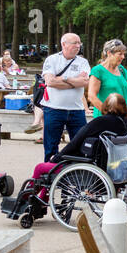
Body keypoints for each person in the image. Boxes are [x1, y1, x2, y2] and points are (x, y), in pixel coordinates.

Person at [40, 33, 91, 162]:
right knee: (51, 146)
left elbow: (85, 82)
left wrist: (64, 78)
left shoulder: (83, 62)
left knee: (81, 144)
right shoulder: (52, 60)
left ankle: (76, 172)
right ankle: (50, 174)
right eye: (75, 43)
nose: (78, 46)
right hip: (53, 109)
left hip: (77, 110)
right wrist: (75, 81)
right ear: (64, 44)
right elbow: (50, 82)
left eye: (79, 43)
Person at [87, 39, 127, 118]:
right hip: (105, 118)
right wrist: (107, 114)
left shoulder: (121, 69)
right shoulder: (98, 71)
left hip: (124, 117)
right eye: (120, 54)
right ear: (109, 53)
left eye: (124, 54)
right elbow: (91, 96)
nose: (123, 57)